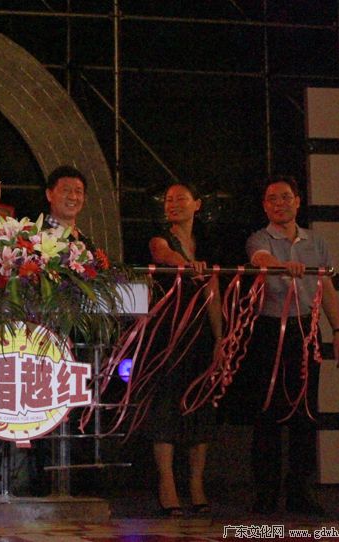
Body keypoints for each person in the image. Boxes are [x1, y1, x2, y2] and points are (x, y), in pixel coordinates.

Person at [245, 175, 339, 515]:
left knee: (306, 410)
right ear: (265, 206)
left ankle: (300, 490)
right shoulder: (260, 238)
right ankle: (266, 491)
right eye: (272, 198)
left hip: (306, 329)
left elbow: (326, 287)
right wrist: (283, 265)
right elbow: (260, 259)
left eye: (286, 197)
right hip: (270, 329)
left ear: (298, 201)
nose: (280, 204)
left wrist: (338, 330)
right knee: (267, 410)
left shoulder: (315, 241)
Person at [147, 182, 223, 517]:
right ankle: (167, 485)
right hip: (168, 334)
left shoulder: (206, 243)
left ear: (197, 204)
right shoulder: (160, 238)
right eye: (169, 200)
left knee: (200, 406)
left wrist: (220, 338)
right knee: (166, 406)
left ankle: (196, 484)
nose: (174, 204)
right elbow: (163, 255)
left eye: (181, 199)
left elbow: (213, 293)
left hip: (201, 335)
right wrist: (187, 264)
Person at [44, 165, 95, 251]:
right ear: (49, 194)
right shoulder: (38, 238)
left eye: (78, 191)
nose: (73, 197)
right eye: (66, 190)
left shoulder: (86, 244)